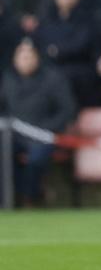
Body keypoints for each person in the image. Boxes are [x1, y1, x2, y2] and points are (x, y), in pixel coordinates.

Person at [3, 39, 77, 207]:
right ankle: (17, 195)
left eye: (29, 56)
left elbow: (67, 109)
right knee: (4, 155)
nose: (25, 60)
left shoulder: (53, 78)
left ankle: (31, 197)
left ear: (37, 57)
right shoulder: (8, 79)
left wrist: (48, 129)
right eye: (21, 56)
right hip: (15, 135)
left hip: (43, 135)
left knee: (36, 159)